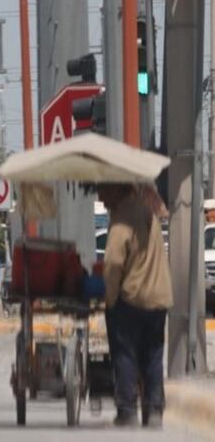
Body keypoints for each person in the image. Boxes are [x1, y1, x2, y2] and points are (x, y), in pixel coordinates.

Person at [99, 183, 173, 428]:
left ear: (116, 190)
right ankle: (153, 412)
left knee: (125, 353)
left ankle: (127, 410)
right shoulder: (146, 211)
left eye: (103, 191)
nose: (101, 197)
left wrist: (110, 299)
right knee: (153, 355)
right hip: (158, 297)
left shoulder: (122, 218)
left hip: (132, 297)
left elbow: (112, 263)